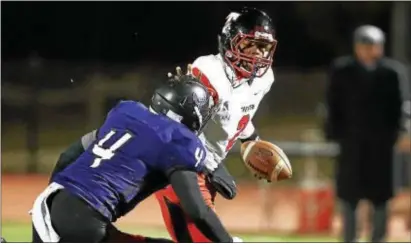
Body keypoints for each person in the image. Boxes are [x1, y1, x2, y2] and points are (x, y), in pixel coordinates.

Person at [30, 75, 238, 243]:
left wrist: (61, 209)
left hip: (50, 203)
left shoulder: (126, 113)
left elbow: (67, 156)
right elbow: (197, 211)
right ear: (192, 114)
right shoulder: (179, 140)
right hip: (86, 222)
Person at [155, 7, 278, 242]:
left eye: (263, 47)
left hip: (204, 168)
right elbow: (180, 128)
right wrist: (209, 166)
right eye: (249, 45)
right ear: (230, 42)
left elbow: (239, 115)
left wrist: (251, 139)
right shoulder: (211, 71)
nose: (258, 55)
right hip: (182, 168)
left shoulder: (264, 78)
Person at [324, 25, 411, 242]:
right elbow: (333, 106)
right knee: (349, 196)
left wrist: (401, 132)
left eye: (373, 45)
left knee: (381, 197)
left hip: (382, 146)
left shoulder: (392, 73)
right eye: (364, 45)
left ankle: (377, 239)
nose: (368, 50)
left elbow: (400, 107)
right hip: (351, 144)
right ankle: (349, 239)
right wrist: (334, 133)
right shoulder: (342, 71)